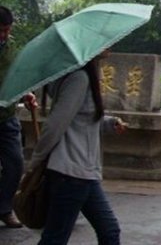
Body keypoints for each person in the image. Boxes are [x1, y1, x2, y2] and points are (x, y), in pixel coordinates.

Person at [26, 50, 126, 244]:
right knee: (55, 238)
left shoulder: (81, 77)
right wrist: (36, 161)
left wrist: (110, 123)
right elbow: (56, 124)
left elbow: (82, 119)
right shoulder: (79, 78)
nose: (110, 45)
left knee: (109, 231)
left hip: (83, 172)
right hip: (71, 173)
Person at [0, 6, 37, 228]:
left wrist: (27, 93)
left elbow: (19, 77)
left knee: (15, 164)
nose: (4, 35)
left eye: (7, 30)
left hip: (6, 116)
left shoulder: (13, 48)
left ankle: (4, 208)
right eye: (0, 30)